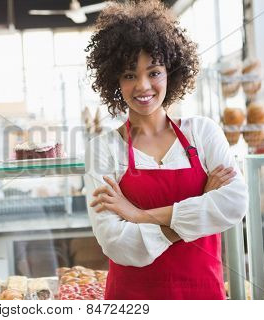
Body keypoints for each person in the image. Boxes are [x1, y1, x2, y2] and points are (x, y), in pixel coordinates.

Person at [84, 0, 248, 299]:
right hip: (133, 299)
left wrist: (138, 215)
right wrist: (200, 205)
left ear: (171, 72)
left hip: (202, 297)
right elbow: (116, 243)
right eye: (130, 75)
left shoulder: (203, 132)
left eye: (154, 71)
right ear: (115, 81)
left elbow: (234, 205)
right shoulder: (103, 149)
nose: (143, 86)